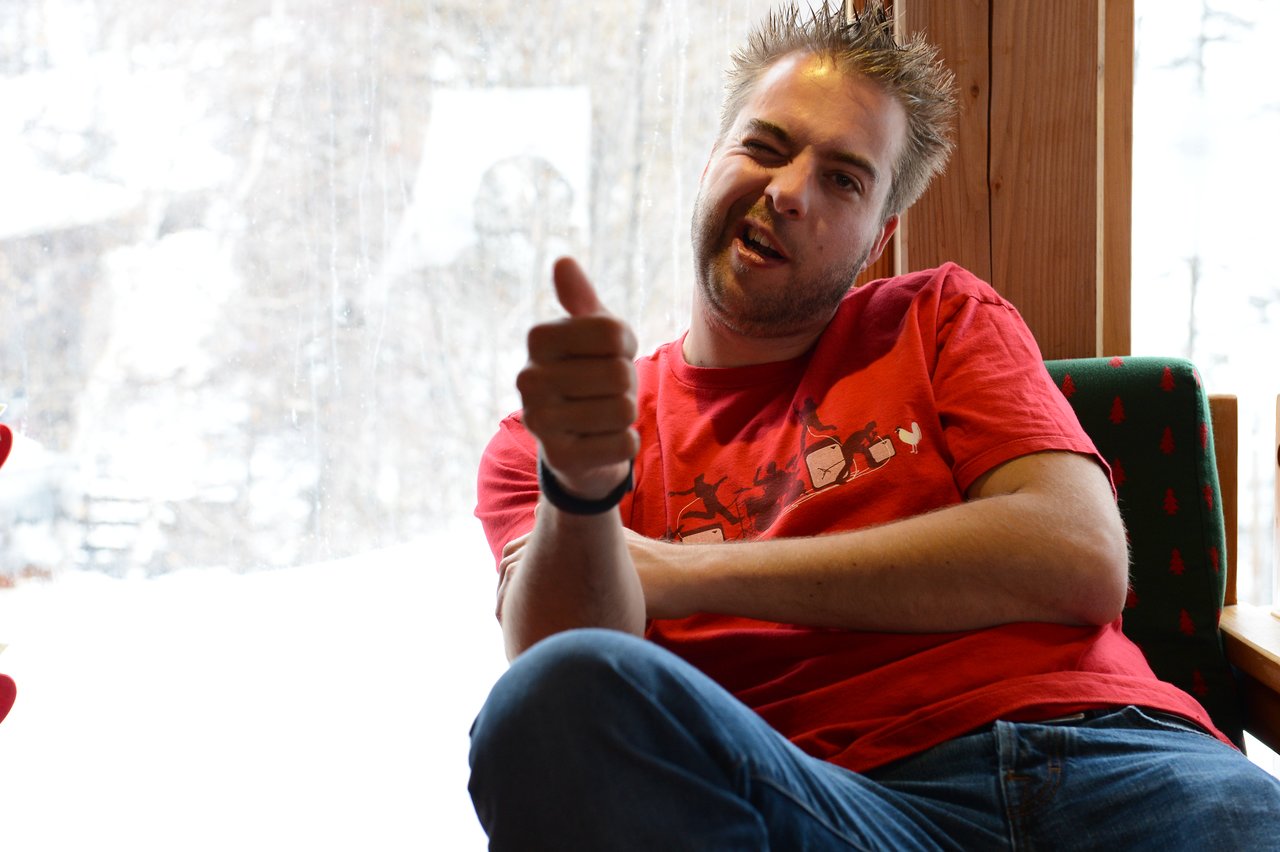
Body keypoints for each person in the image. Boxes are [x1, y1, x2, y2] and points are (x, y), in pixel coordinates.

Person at [469, 3, 1280, 848]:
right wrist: (584, 492)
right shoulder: (564, 430)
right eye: (765, 146)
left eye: (843, 179)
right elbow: (559, 682)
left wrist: (679, 571)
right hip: (826, 807)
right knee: (546, 696)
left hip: (1116, 761)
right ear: (712, 159)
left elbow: (1077, 559)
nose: (788, 193)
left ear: (877, 237)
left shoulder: (939, 317)